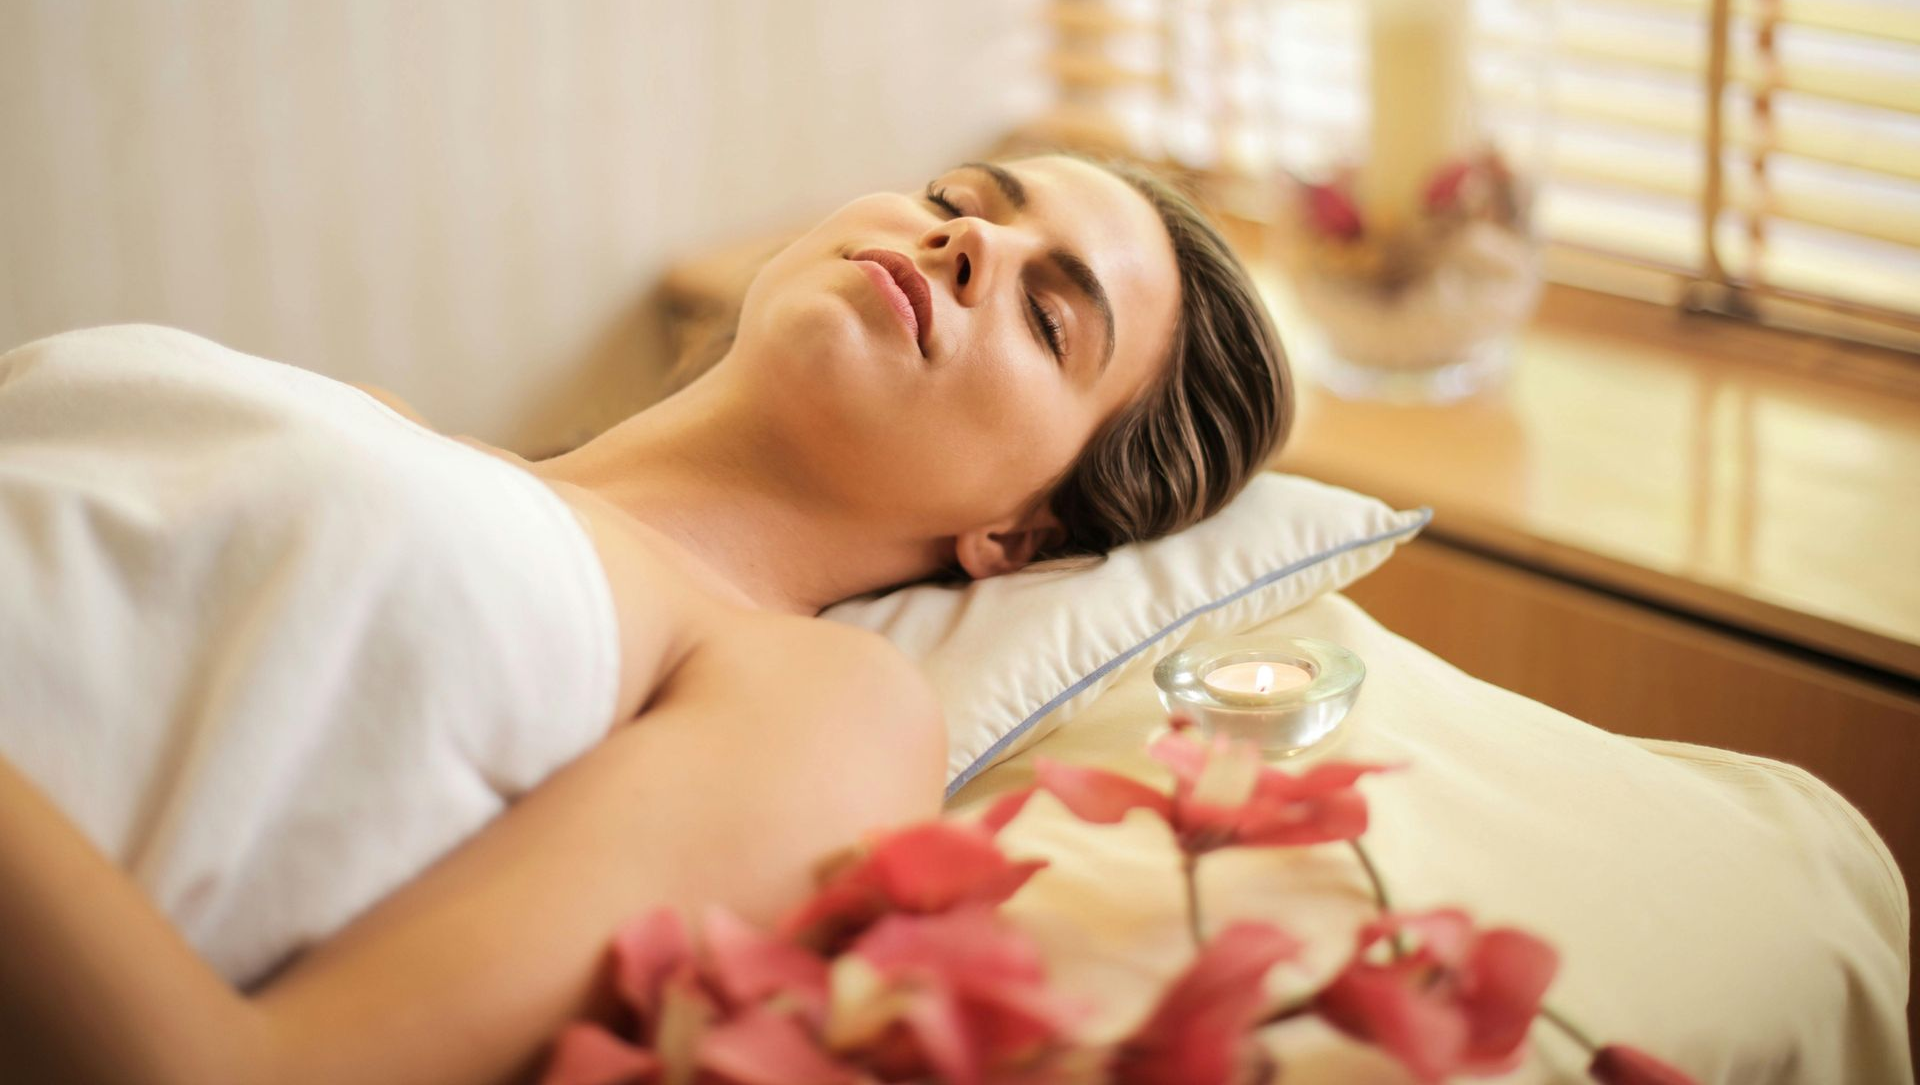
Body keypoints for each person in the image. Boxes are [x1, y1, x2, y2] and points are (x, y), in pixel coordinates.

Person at [0, 153, 1290, 1084]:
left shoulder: (812, 696)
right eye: (961, 200)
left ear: (1019, 535)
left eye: (1047, 313)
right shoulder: (375, 420)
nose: (969, 246)